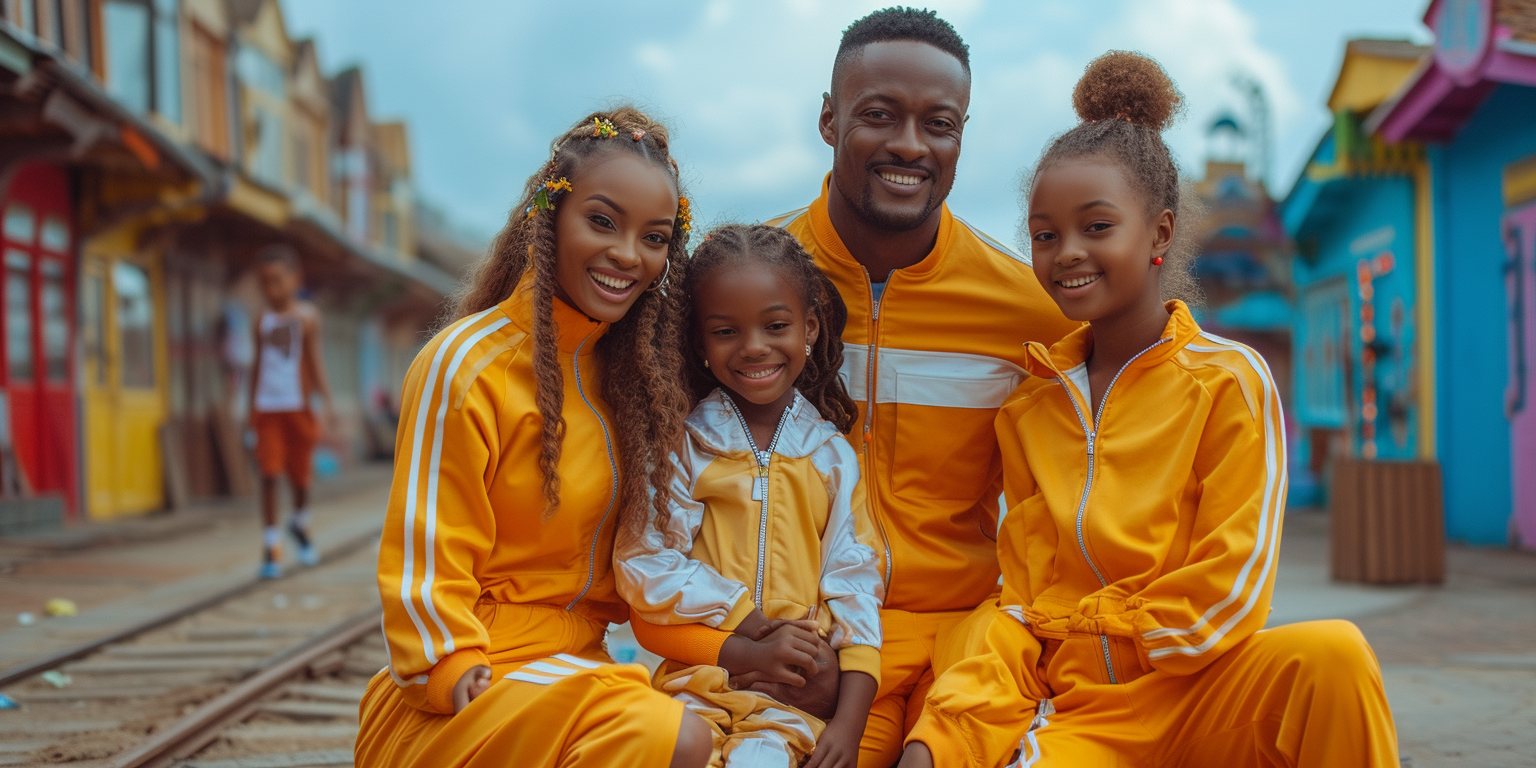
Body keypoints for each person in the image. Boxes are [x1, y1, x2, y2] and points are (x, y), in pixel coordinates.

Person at [898, 52, 1400, 768]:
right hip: (1085, 712)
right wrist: (942, 738)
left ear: (1160, 234)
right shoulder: (1032, 408)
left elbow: (1234, 581)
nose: (1067, 253)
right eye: (1045, 235)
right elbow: (1019, 605)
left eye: (1096, 227)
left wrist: (1108, 628)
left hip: (1204, 687)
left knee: (1334, 658)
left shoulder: (1229, 380)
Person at [765, 9, 1081, 764]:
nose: (910, 144)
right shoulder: (744, 288)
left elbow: (1066, 516)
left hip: (958, 654)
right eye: (879, 115)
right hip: (801, 653)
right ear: (828, 119)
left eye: (939, 123)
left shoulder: (1029, 312)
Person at [354, 108, 712, 768]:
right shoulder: (464, 366)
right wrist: (448, 665)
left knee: (714, 728)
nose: (627, 255)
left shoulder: (634, 388)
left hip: (583, 668)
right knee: (669, 735)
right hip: (467, 690)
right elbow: (423, 556)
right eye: (602, 221)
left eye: (655, 238)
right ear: (550, 218)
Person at [617, 224, 884, 768]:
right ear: (700, 343)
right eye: (726, 331)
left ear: (809, 328)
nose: (754, 347)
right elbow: (645, 563)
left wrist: (850, 725)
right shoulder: (684, 445)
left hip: (790, 694)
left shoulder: (831, 458)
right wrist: (747, 623)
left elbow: (855, 582)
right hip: (693, 682)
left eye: (776, 325)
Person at [249, 244, 335, 579]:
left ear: (295, 279)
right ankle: (271, 544)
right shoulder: (261, 320)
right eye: (264, 283)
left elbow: (315, 361)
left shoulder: (308, 317)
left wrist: (326, 403)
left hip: (298, 408)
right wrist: (249, 411)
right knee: (269, 475)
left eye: (277, 281)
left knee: (300, 477)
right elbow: (257, 366)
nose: (271, 289)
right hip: (267, 409)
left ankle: (300, 523)